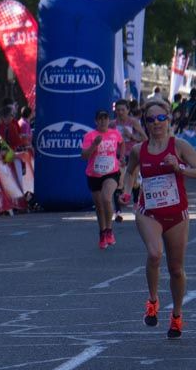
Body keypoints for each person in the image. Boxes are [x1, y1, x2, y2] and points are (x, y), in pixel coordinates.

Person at [122, 98, 195, 339]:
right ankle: (152, 300)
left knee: (176, 269)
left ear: (169, 120)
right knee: (154, 254)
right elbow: (130, 172)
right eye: (151, 120)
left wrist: (180, 169)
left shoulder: (179, 146)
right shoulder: (138, 150)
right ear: (146, 123)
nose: (157, 123)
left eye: (161, 118)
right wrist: (125, 190)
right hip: (149, 212)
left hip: (177, 214)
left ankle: (176, 314)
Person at [81, 110, 123, 250]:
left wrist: (121, 157)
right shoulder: (90, 136)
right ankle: (102, 232)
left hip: (111, 172)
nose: (103, 121)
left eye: (105, 118)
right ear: (96, 121)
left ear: (108, 120)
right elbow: (84, 156)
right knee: (99, 206)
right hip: (94, 174)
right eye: (100, 119)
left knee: (106, 198)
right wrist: (94, 145)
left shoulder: (115, 133)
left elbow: (121, 143)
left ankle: (109, 230)